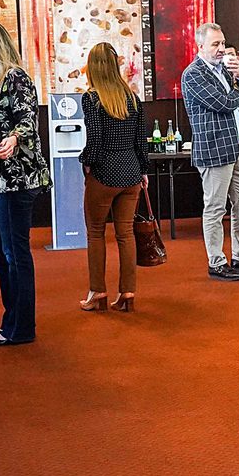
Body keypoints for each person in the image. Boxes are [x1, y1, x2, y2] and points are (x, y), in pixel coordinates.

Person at [0, 20, 52, 346]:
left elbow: (28, 119)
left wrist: (15, 138)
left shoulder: (15, 76)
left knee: (14, 251)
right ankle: (13, 317)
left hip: (18, 177)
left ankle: (21, 326)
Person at [181, 23, 239, 281]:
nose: (222, 49)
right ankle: (216, 261)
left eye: (222, 43)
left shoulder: (225, 69)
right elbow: (224, 103)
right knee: (215, 207)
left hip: (234, 146)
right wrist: (237, 90)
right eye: (215, 44)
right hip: (213, 149)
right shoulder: (193, 74)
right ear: (200, 46)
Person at [78, 43, 149, 312]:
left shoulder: (92, 99)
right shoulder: (133, 98)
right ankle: (128, 292)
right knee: (126, 234)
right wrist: (143, 170)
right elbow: (141, 141)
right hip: (131, 173)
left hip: (104, 174)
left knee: (96, 232)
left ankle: (97, 292)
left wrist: (86, 162)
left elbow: (95, 140)